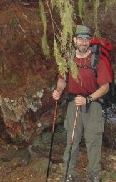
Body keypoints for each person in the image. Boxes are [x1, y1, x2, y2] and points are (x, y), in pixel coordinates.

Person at [52, 25, 111, 182]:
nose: (83, 42)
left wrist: (89, 99)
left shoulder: (97, 60)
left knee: (93, 141)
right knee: (72, 140)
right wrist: (58, 90)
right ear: (74, 40)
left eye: (86, 39)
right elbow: (62, 79)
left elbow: (105, 87)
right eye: (80, 39)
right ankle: (68, 174)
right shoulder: (68, 59)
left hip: (94, 103)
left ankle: (93, 175)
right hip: (74, 104)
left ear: (90, 41)